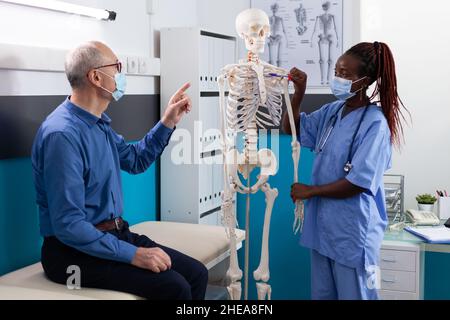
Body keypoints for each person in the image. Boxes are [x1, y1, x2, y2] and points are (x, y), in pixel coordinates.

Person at [31, 41, 208, 300]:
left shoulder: (97, 125)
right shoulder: (62, 135)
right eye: (117, 67)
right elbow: (69, 226)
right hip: (70, 253)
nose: (121, 75)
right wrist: (133, 254)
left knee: (196, 274)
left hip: (113, 233)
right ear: (95, 76)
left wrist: (168, 121)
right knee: (175, 288)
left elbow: (136, 160)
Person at [282, 42, 408, 300]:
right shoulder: (332, 112)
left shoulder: (375, 124)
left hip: (353, 233)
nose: (338, 78)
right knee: (323, 295)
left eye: (345, 74)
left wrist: (311, 191)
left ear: (364, 81)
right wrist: (299, 94)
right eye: (337, 71)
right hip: (323, 229)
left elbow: (359, 182)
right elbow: (291, 128)